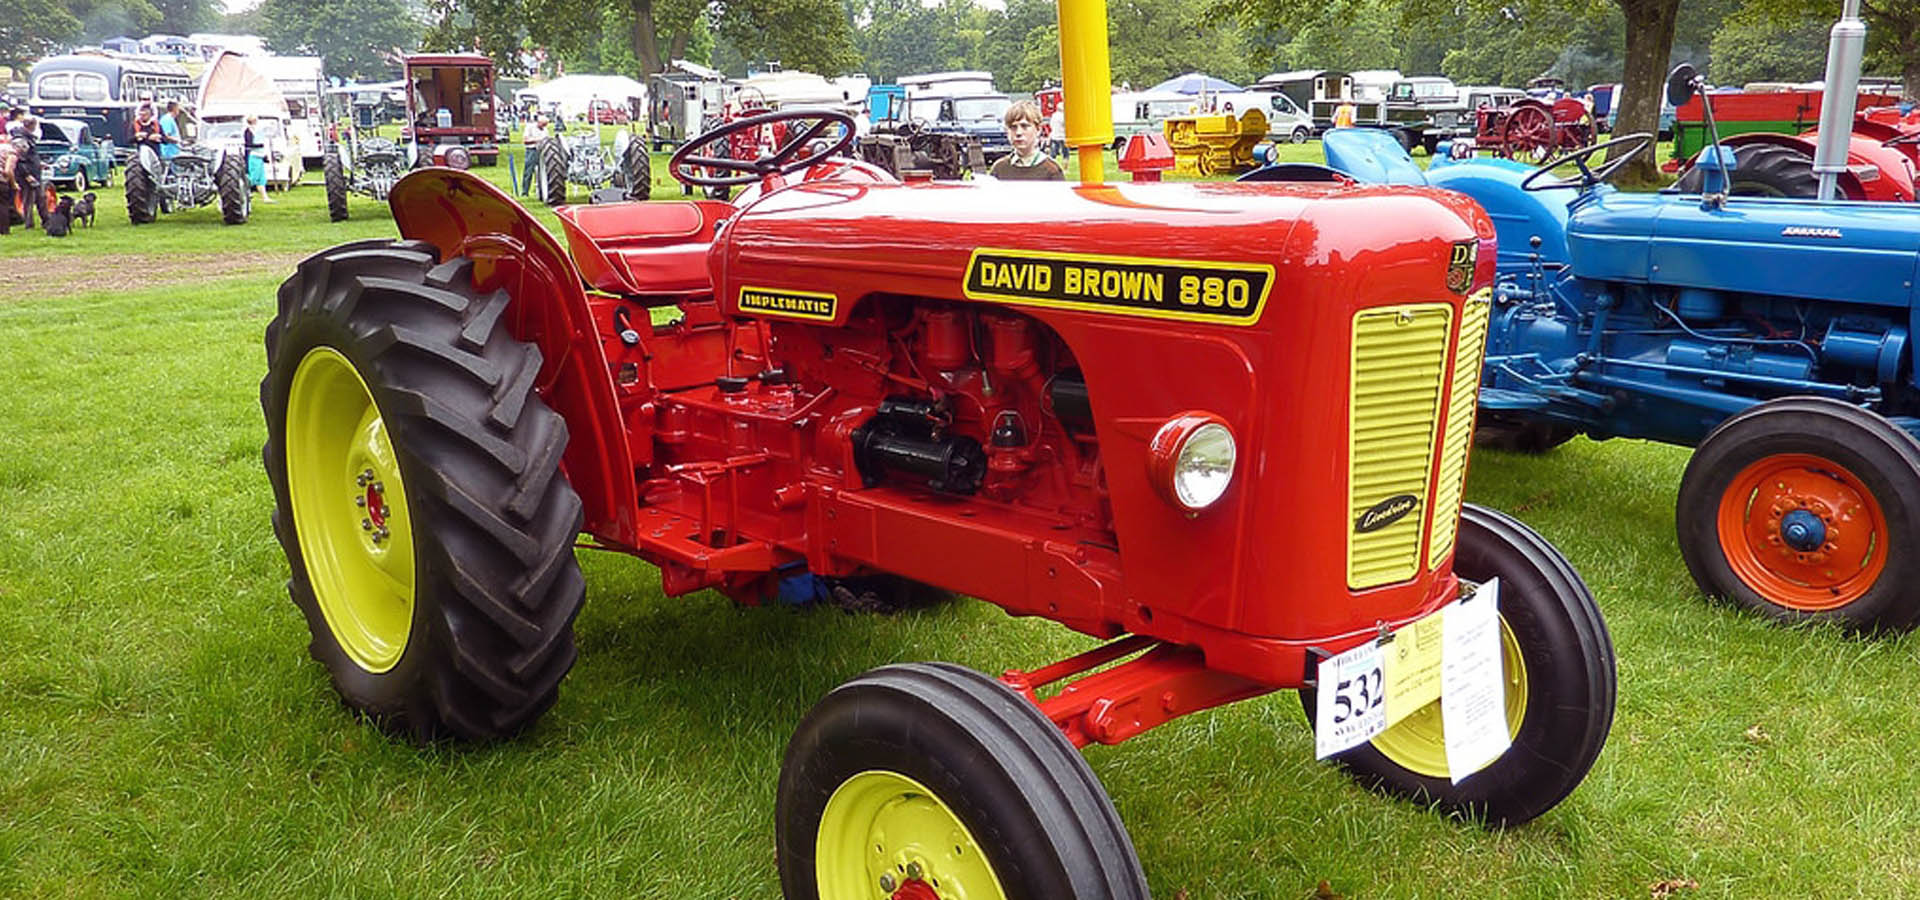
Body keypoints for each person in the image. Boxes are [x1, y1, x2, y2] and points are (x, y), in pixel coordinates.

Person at [989, 100, 1063, 181]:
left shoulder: (1052, 170)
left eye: (1024, 126)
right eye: (1013, 127)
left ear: (1038, 129)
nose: (1018, 133)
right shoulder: (999, 169)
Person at [244, 114, 274, 203]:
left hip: (260, 156)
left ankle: (265, 198)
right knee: (253, 178)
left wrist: (265, 155)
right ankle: (245, 193)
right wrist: (259, 145)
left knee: (261, 179)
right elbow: (248, 144)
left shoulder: (258, 130)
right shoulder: (248, 131)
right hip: (253, 156)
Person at [520, 113, 549, 196]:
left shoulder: (545, 130)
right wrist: (538, 140)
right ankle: (525, 192)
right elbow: (525, 140)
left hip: (542, 152)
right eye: (543, 125)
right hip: (532, 151)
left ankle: (542, 191)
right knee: (528, 171)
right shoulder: (530, 127)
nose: (543, 127)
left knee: (543, 172)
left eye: (545, 125)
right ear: (539, 122)